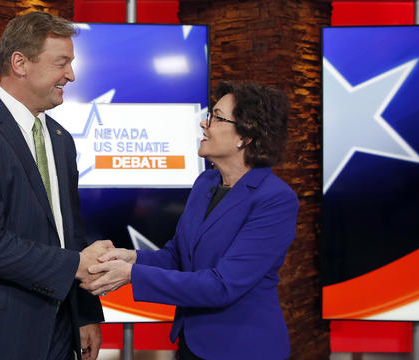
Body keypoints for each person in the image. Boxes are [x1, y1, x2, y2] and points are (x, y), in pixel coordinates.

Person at [0, 12, 110, 360]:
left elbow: (69, 235)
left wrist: (84, 314)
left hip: (57, 331)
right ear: (20, 63)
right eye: (62, 63)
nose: (70, 75)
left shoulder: (60, 140)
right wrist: (75, 265)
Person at [82, 81, 299, 359]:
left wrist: (131, 276)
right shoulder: (206, 183)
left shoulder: (275, 199)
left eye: (217, 117)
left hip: (242, 347)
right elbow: (179, 257)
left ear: (245, 136)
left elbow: (223, 286)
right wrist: (131, 259)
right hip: (192, 342)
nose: (203, 124)